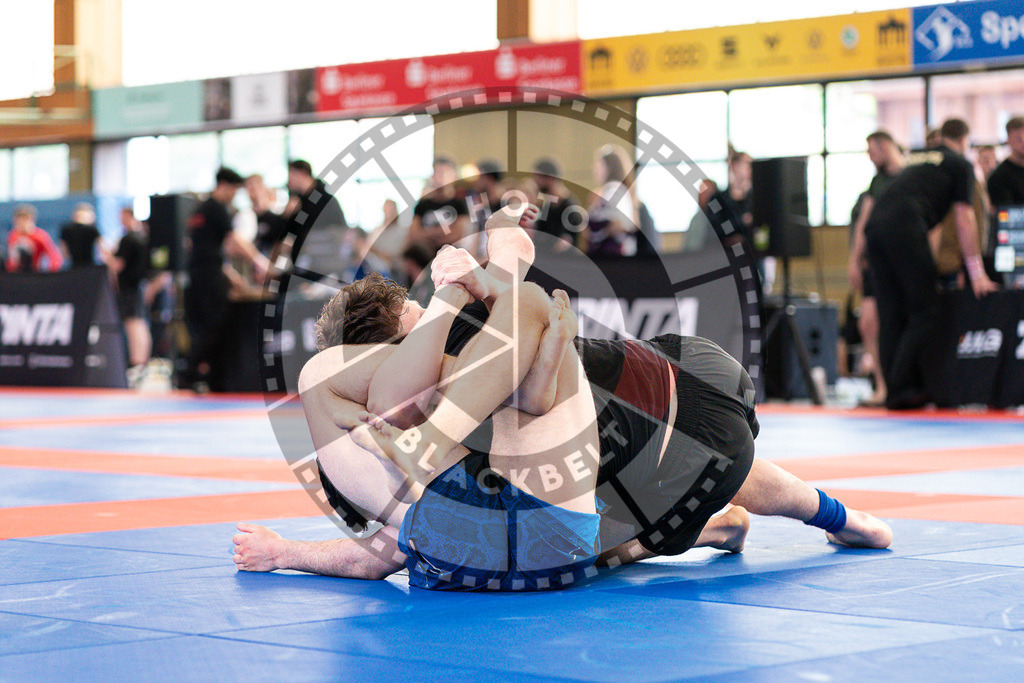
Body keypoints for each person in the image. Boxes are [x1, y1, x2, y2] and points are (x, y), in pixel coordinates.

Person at [233, 207, 891, 588]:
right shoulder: (432, 353)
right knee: (718, 483)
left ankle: (788, 518)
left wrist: (285, 551)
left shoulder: (430, 360)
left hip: (665, 403)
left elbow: (387, 548)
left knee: (705, 477)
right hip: (649, 441)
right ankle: (817, 517)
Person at [865, 118, 999, 410]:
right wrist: (976, 272)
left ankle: (895, 391)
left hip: (876, 228)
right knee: (925, 310)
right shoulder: (959, 164)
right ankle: (902, 388)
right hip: (904, 225)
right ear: (964, 140)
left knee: (891, 313)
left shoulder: (918, 158)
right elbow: (965, 219)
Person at [183, 167, 269, 391]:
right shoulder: (216, 209)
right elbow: (233, 241)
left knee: (207, 325)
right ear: (225, 186)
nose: (234, 196)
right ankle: (189, 372)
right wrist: (259, 261)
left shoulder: (198, 210)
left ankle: (213, 378)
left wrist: (231, 275)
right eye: (234, 190)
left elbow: (205, 247)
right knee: (217, 324)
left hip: (198, 274)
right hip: (209, 275)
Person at [847, 131, 905, 407]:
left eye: (872, 151)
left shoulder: (910, 176)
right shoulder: (877, 181)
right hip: (875, 263)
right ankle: (882, 386)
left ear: (885, 146)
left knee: (897, 324)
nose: (870, 157)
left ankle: (900, 384)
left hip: (901, 262)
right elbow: (863, 224)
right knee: (868, 323)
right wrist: (854, 260)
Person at [110, 206, 151, 384]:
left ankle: (137, 363)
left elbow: (117, 265)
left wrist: (107, 256)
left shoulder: (128, 239)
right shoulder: (141, 237)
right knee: (139, 323)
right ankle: (141, 363)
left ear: (128, 217)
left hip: (129, 288)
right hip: (137, 286)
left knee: (133, 324)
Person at [407, 155, 470, 256]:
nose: (440, 177)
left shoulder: (460, 203)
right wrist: (443, 231)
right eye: (436, 173)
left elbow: (458, 234)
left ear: (454, 176)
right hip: (424, 256)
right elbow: (414, 235)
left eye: (444, 173)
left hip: (451, 257)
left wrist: (427, 234)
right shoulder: (422, 205)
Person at [586, 144, 639, 256]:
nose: (594, 169)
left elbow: (617, 224)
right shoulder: (614, 190)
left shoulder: (614, 190)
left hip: (612, 256)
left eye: (598, 165)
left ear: (609, 167)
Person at [531, 157, 583, 252]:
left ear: (551, 178)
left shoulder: (570, 206)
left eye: (539, 177)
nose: (536, 182)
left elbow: (570, 239)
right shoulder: (545, 204)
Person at [286, 159, 346, 230]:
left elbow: (341, 230)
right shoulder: (297, 202)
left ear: (302, 173)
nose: (289, 179)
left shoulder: (326, 201)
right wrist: (287, 215)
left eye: (292, 174)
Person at [5, 204, 62, 273]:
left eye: (25, 220)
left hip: (35, 274)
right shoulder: (12, 235)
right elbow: (11, 260)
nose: (22, 223)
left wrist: (51, 273)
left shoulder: (40, 236)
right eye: (18, 220)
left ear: (31, 220)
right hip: (17, 275)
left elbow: (54, 256)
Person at [987, 116, 1024, 206]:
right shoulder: (999, 176)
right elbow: (1004, 215)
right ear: (1008, 140)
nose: (1023, 142)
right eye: (1018, 138)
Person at [59, 203, 107, 268]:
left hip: (74, 266)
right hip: (89, 265)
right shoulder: (91, 229)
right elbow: (102, 247)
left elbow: (63, 249)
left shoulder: (66, 229)